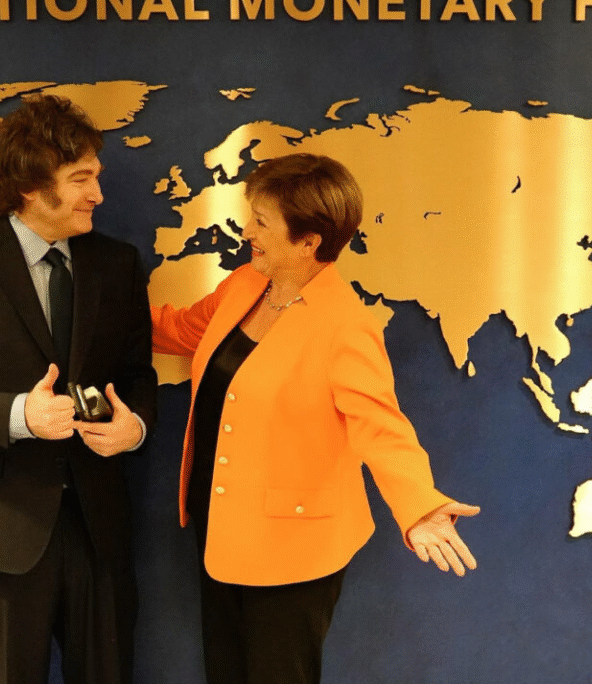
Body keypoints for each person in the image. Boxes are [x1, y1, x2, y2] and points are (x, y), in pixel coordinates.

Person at [151, 153, 479, 684]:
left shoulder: (345, 325)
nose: (247, 231)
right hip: (221, 526)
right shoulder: (244, 284)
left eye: (261, 222)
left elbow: (382, 427)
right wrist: (90, 311)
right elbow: (184, 330)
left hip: (293, 547)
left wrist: (419, 506)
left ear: (308, 242)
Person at [0, 95, 157, 684]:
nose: (98, 194)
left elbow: (137, 374)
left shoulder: (117, 263)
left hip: (99, 530)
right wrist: (22, 415)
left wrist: (136, 426)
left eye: (96, 176)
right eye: (81, 179)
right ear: (29, 187)